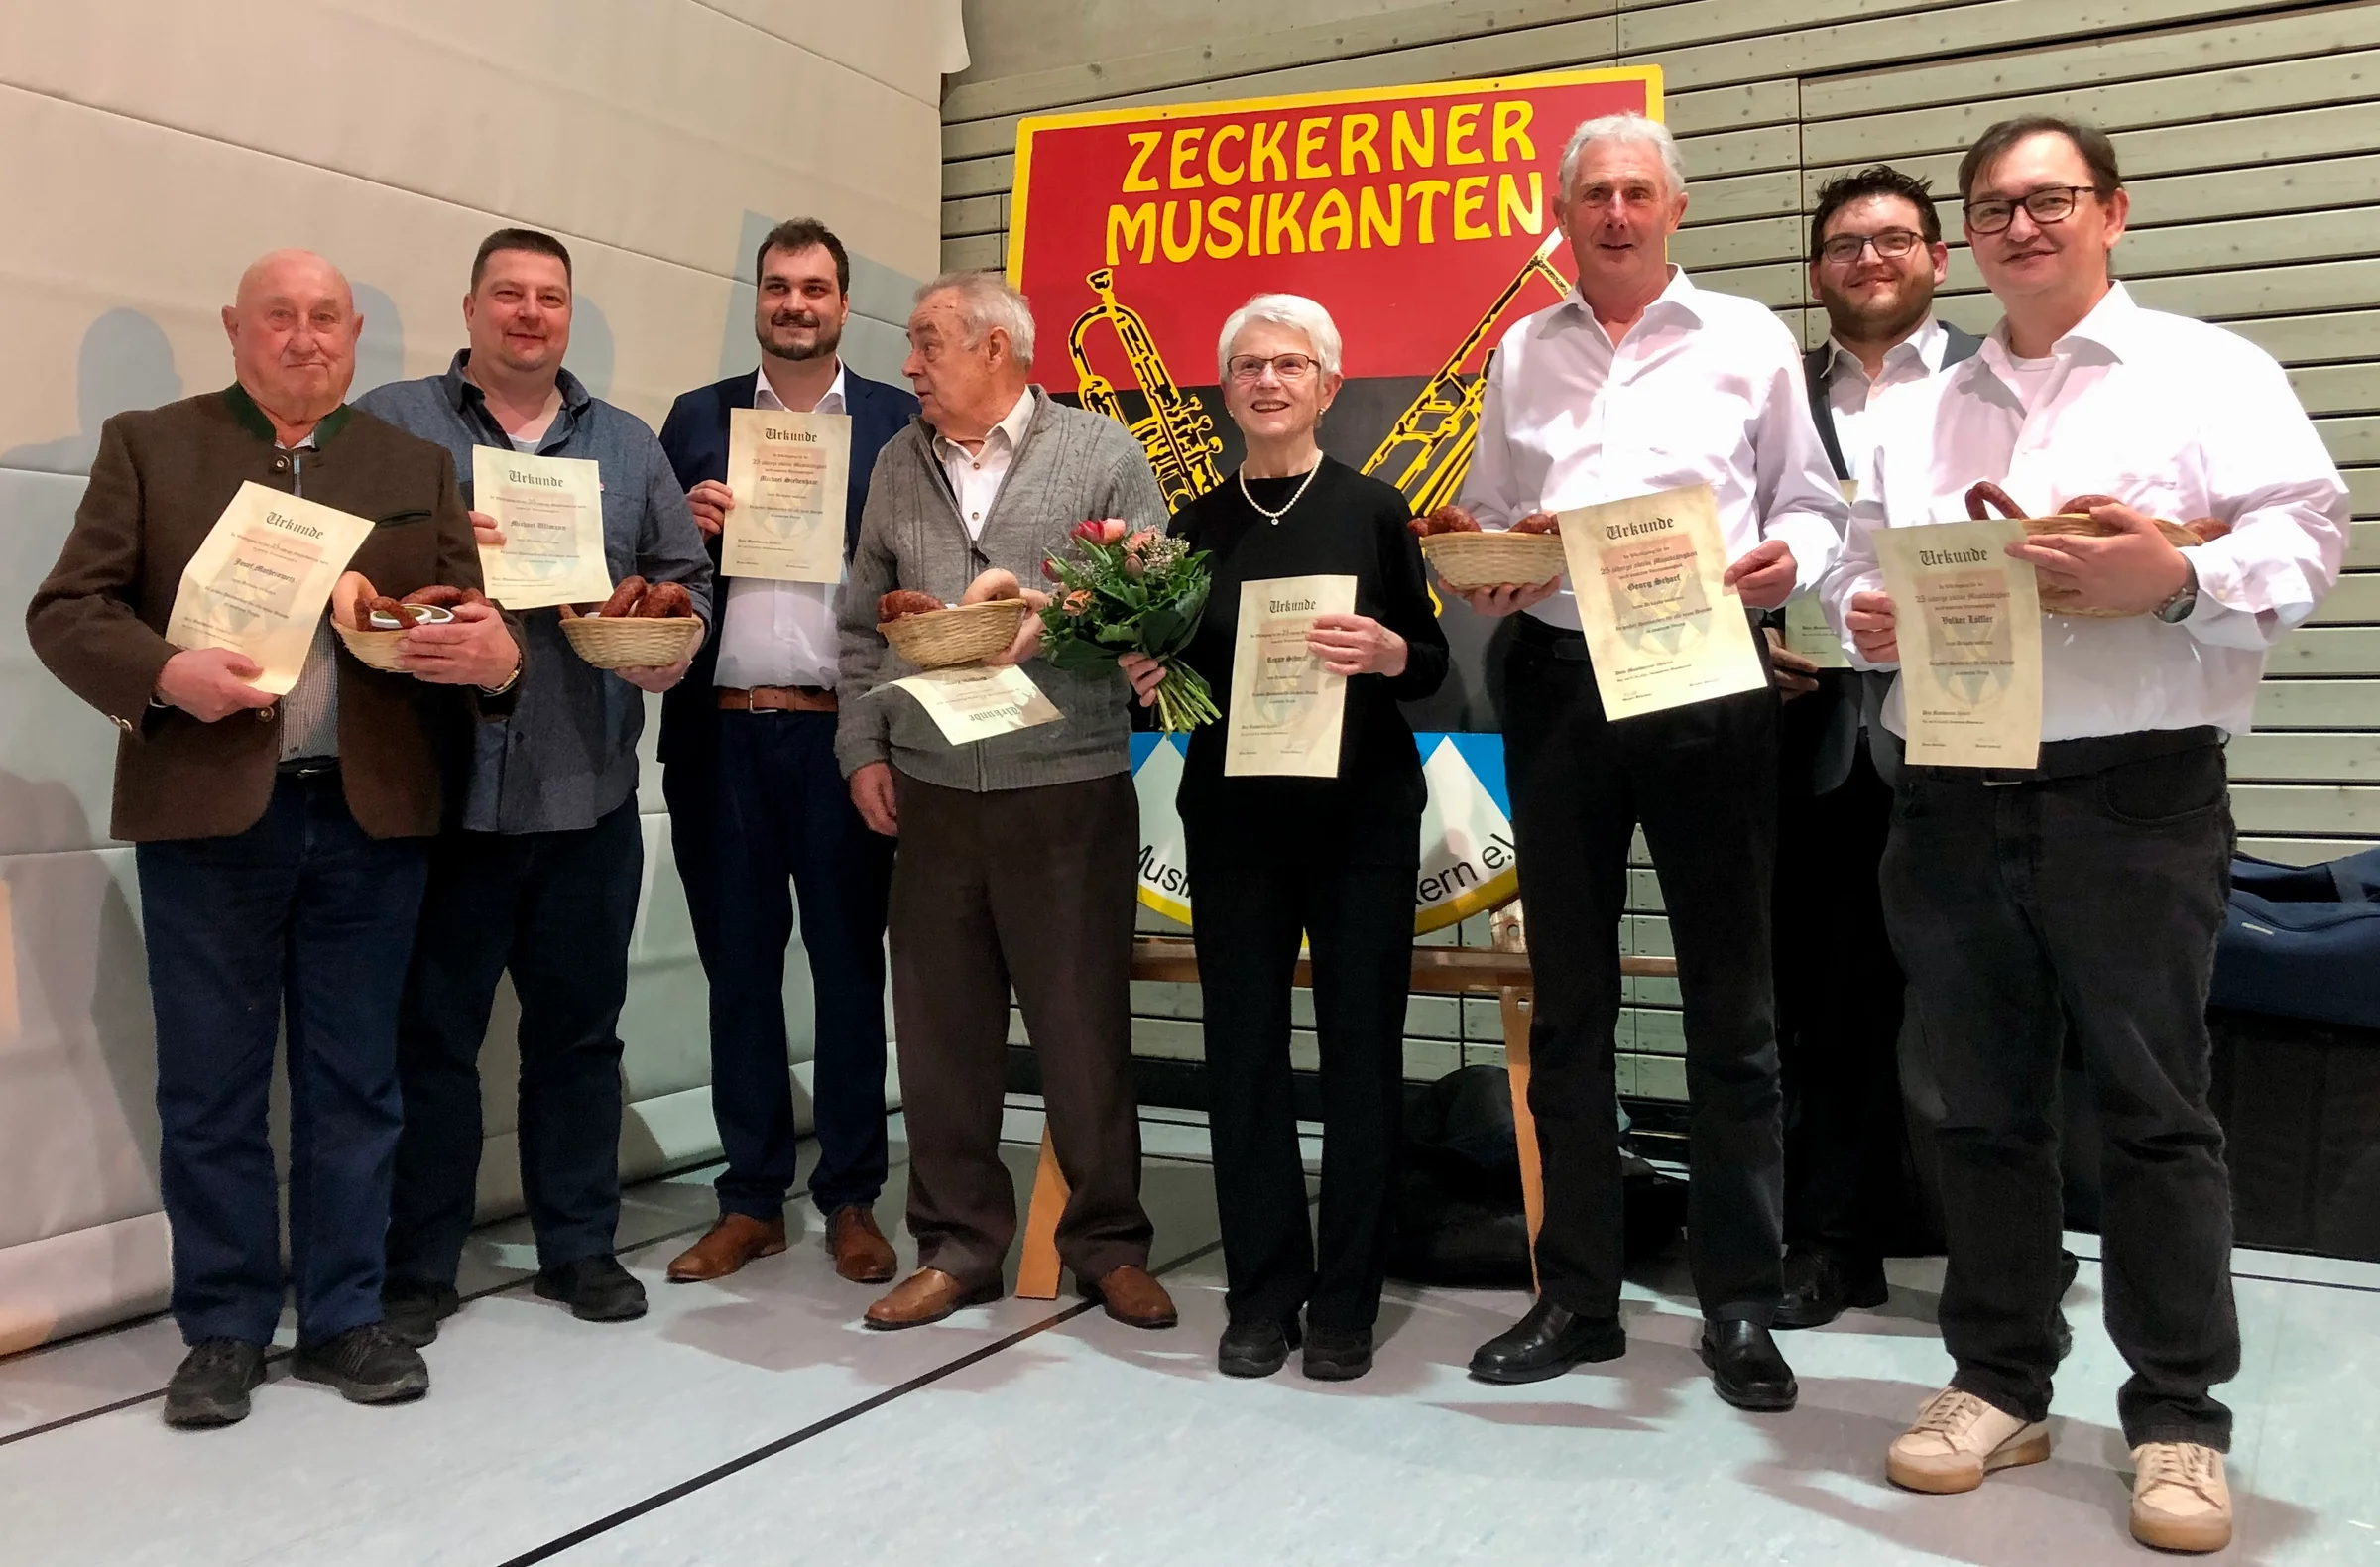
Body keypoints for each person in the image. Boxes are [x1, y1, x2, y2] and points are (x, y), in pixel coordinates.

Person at [1825, 116, 2346, 1553]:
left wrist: (2173, 580)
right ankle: (2000, 1378)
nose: (2021, 226)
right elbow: (1869, 577)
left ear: (2112, 212)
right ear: (1966, 239)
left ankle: (2178, 1414)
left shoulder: (2209, 371)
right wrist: (1870, 618)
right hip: (1951, 788)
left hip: (2135, 794)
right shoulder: (1922, 405)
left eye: (2049, 200)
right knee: (1976, 1106)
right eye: (1994, 207)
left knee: (2154, 1112)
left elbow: (2309, 537)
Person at [25, 250, 522, 1427]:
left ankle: (346, 1314)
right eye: (280, 317)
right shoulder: (153, 445)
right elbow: (67, 610)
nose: (304, 338)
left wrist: (489, 659)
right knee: (211, 1086)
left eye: (326, 319)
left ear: (353, 336)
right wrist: (165, 673)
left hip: (371, 819)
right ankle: (225, 1325)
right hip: (208, 815)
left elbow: (465, 619)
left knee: (358, 1082)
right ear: (234, 328)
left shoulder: (411, 466)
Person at [1453, 113, 1847, 1411]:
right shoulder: (1523, 350)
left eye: (1637, 192)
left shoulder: (1746, 338)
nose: (1615, 213)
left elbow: (1811, 500)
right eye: (1594, 195)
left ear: (1675, 207)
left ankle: (1740, 1300)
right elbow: (1501, 509)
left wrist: (1793, 559)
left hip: (1703, 673)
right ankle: (1578, 1295)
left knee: (1732, 1004)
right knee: (1568, 1002)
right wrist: (1499, 556)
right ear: (1563, 213)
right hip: (1559, 676)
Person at [358, 228, 712, 1343]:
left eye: (549, 297)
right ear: (469, 307)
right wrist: (435, 557)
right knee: (430, 1045)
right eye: (507, 294)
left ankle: (579, 1246)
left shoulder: (626, 444)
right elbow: (343, 576)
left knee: (579, 1040)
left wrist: (667, 646)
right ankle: (419, 1266)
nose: (528, 314)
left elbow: (687, 587)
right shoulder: (390, 424)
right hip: (437, 799)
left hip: (583, 795)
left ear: (569, 315)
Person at [837, 270, 1174, 1332]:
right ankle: (957, 1247)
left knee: (1082, 1031)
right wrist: (861, 747)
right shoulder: (898, 462)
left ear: (996, 347)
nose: (909, 364)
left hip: (1066, 787)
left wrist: (1066, 616)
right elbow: (858, 624)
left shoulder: (1103, 452)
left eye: (928, 342)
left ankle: (1109, 1245)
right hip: (932, 789)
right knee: (941, 1035)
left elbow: (1157, 596)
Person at [1122, 296, 1448, 1382]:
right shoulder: (1192, 529)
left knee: (1361, 1055)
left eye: (1290, 365)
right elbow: (1172, 680)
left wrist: (1390, 653)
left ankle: (1347, 1298)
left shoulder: (1377, 509)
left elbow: (1434, 661)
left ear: (1328, 385)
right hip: (1235, 822)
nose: (1268, 381)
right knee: (1244, 1056)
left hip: (1361, 820)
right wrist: (1148, 677)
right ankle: (1262, 1291)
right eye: (1248, 366)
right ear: (1225, 391)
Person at [654, 219, 920, 1287]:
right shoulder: (697, 417)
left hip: (845, 737)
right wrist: (685, 525)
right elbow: (650, 568)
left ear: (844, 304)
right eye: (777, 286)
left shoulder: (896, 421)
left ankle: (852, 1195)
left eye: (814, 287)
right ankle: (751, 1199)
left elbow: (924, 566)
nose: (795, 304)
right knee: (739, 972)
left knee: (852, 969)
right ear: (758, 300)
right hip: (720, 734)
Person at [1771, 166, 1983, 1331]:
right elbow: (1722, 533)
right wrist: (1746, 638)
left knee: (1989, 998)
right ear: (1818, 271)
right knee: (1824, 1001)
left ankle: (2000, 1247)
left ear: (1939, 258)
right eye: (1847, 244)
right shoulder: (1777, 391)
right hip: (1810, 730)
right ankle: (1831, 1243)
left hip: (1971, 725)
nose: (1871, 259)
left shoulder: (1997, 380)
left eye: (1895, 239)